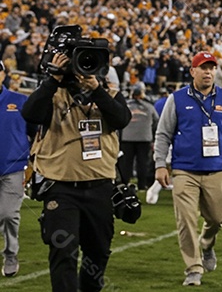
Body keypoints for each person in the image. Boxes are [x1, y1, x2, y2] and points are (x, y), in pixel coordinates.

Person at [22, 46, 132, 292]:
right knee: (63, 251)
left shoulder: (109, 93)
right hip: (61, 187)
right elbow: (30, 113)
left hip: (100, 186)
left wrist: (95, 89)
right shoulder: (52, 94)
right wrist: (54, 79)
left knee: (99, 251)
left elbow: (121, 119)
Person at [153, 52, 222, 286]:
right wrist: (160, 164)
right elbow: (163, 134)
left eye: (212, 68)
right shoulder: (177, 99)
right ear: (192, 71)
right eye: (203, 68)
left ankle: (207, 243)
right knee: (185, 220)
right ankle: (193, 269)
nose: (208, 72)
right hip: (185, 169)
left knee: (216, 218)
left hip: (217, 169)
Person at [1, 61, 30, 277]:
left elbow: (37, 132)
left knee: (8, 214)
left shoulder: (19, 101)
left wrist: (33, 161)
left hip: (13, 167)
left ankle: (10, 254)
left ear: (3, 75)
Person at [119, 83, 158, 191]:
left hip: (127, 138)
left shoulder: (125, 105)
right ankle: (142, 185)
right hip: (144, 138)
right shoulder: (149, 106)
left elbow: (119, 120)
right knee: (143, 163)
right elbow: (156, 121)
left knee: (126, 163)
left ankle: (125, 183)